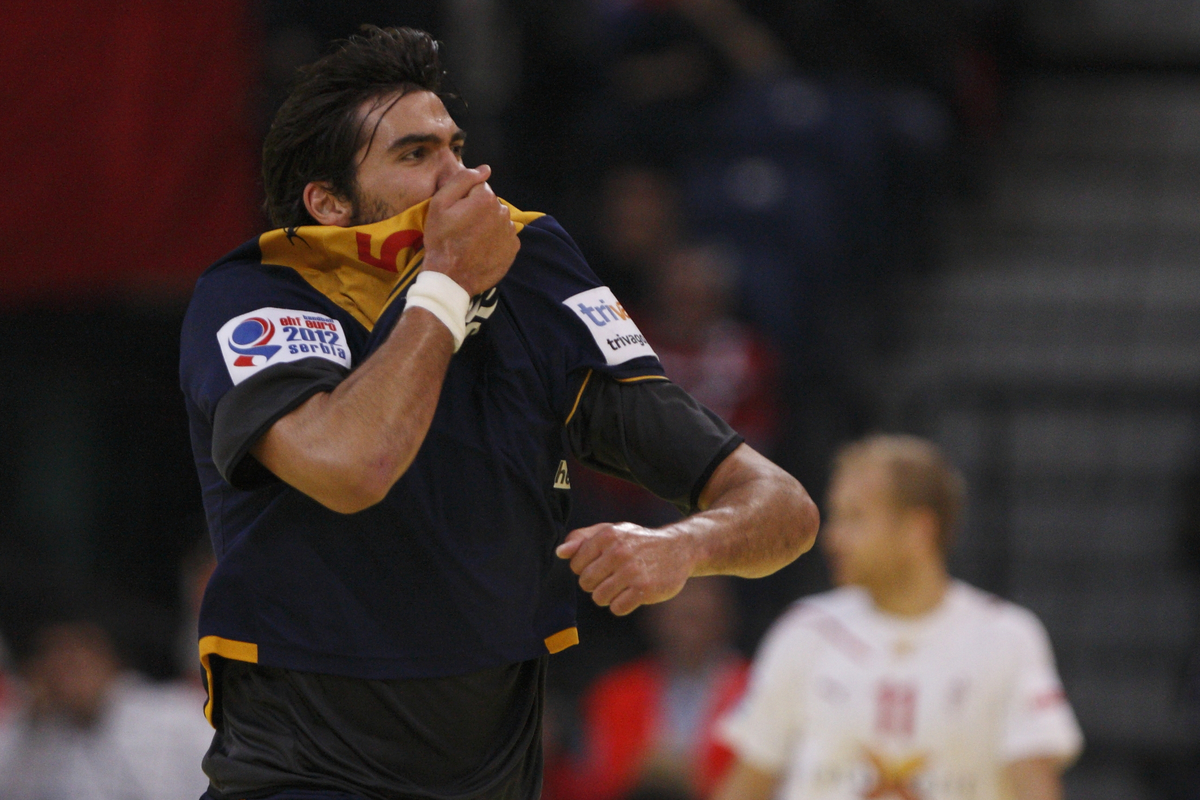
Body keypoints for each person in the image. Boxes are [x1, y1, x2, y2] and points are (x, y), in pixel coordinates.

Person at [178, 25, 818, 800]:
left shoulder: (531, 268)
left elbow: (783, 508)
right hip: (304, 771)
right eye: (416, 156)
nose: (464, 178)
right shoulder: (255, 295)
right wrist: (445, 288)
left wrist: (681, 548)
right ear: (330, 204)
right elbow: (352, 465)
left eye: (457, 146)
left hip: (493, 776)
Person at [714, 434, 1083, 800]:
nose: (833, 536)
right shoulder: (806, 631)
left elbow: (1037, 789)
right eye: (837, 515)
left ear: (918, 530)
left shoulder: (1006, 637)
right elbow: (746, 786)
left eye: (854, 517)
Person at [545, 577, 747, 800]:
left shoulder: (755, 689)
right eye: (679, 596)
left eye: (701, 595)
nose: (689, 605)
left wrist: (692, 780)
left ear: (726, 611)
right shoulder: (614, 693)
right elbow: (590, 785)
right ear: (651, 614)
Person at [0, 615, 213, 800]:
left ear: (106, 657)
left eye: (74, 660)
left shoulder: (173, 712)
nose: (65, 673)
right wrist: (29, 721)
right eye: (54, 662)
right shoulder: (40, 735)